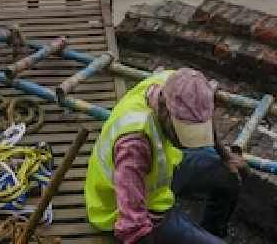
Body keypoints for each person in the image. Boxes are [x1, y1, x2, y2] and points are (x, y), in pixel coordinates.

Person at [85, 68, 248, 243]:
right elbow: (132, 229)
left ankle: (211, 232)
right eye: (182, 130)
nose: (185, 140)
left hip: (161, 172)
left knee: (229, 177)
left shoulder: (175, 83)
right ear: (163, 109)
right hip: (124, 206)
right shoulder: (135, 144)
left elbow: (203, 114)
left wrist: (225, 156)